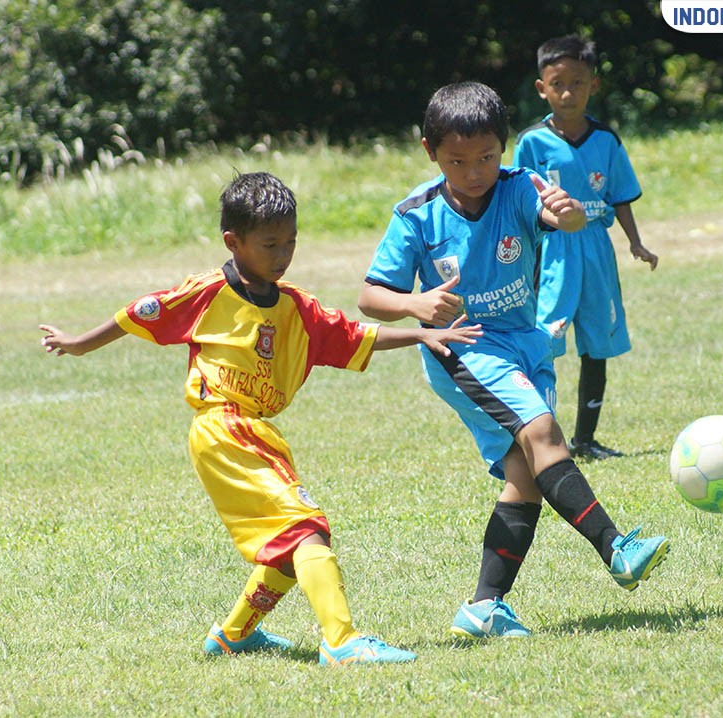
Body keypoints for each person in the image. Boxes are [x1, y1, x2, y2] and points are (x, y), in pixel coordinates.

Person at [39, 171, 482, 665]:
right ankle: (342, 641)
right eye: (270, 244)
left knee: (288, 545)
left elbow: (356, 335)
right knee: (307, 528)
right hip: (225, 426)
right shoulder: (208, 292)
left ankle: (233, 635)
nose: (282, 254)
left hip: (254, 430)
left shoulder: (295, 307)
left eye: (290, 242)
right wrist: (78, 343)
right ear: (234, 242)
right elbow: (140, 312)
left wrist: (420, 335)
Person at [357, 82, 669, 639]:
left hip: (525, 341)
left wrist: (570, 212)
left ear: (502, 148)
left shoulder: (522, 186)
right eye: (457, 160)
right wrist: (414, 303)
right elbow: (369, 296)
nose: (474, 171)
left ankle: (483, 608)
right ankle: (616, 548)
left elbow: (564, 224)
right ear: (431, 151)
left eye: (486, 157)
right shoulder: (416, 214)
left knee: (526, 475)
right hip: (464, 344)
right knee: (545, 431)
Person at [513, 35, 659, 460]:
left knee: (597, 341)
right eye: (557, 83)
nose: (567, 92)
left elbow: (620, 197)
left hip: (596, 249)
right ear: (542, 87)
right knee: (544, 343)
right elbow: (518, 203)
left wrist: (636, 243)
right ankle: (539, 438)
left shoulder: (607, 141)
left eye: (578, 83)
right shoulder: (532, 142)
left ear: (593, 85)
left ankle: (586, 440)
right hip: (551, 250)